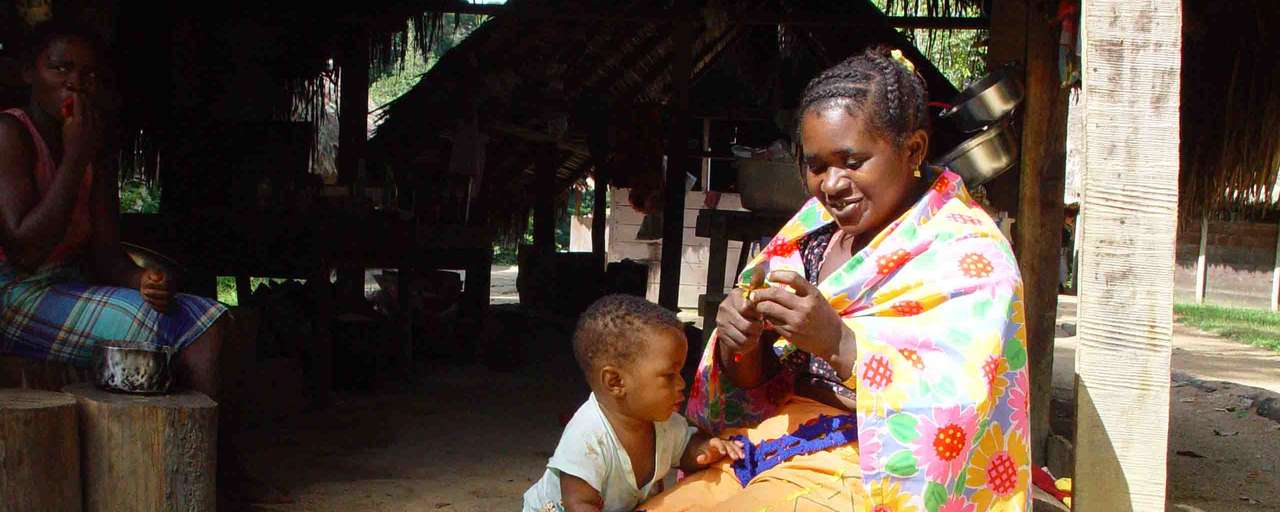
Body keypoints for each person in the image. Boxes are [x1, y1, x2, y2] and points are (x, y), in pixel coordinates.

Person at [640, 47, 1031, 511]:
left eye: (852, 161)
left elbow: (960, 405)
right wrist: (740, 344)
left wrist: (838, 343)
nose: (832, 184)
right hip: (772, 440)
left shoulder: (968, 256)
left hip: (870, 463)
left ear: (913, 151)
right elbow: (758, 385)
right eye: (817, 165)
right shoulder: (811, 234)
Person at [0, 20, 286, 504]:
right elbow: (24, 248)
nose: (75, 83)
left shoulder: (94, 148)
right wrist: (73, 158)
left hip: (67, 288)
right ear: (28, 73)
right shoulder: (11, 134)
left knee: (210, 321)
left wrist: (142, 279)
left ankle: (212, 467)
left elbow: (108, 257)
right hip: (14, 293)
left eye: (88, 75)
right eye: (60, 68)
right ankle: (209, 478)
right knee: (172, 330)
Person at [524, 294, 745, 512]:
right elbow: (579, 504)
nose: (681, 384)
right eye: (669, 375)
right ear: (615, 381)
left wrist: (705, 450)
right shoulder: (587, 437)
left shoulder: (663, 424)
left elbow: (684, 449)